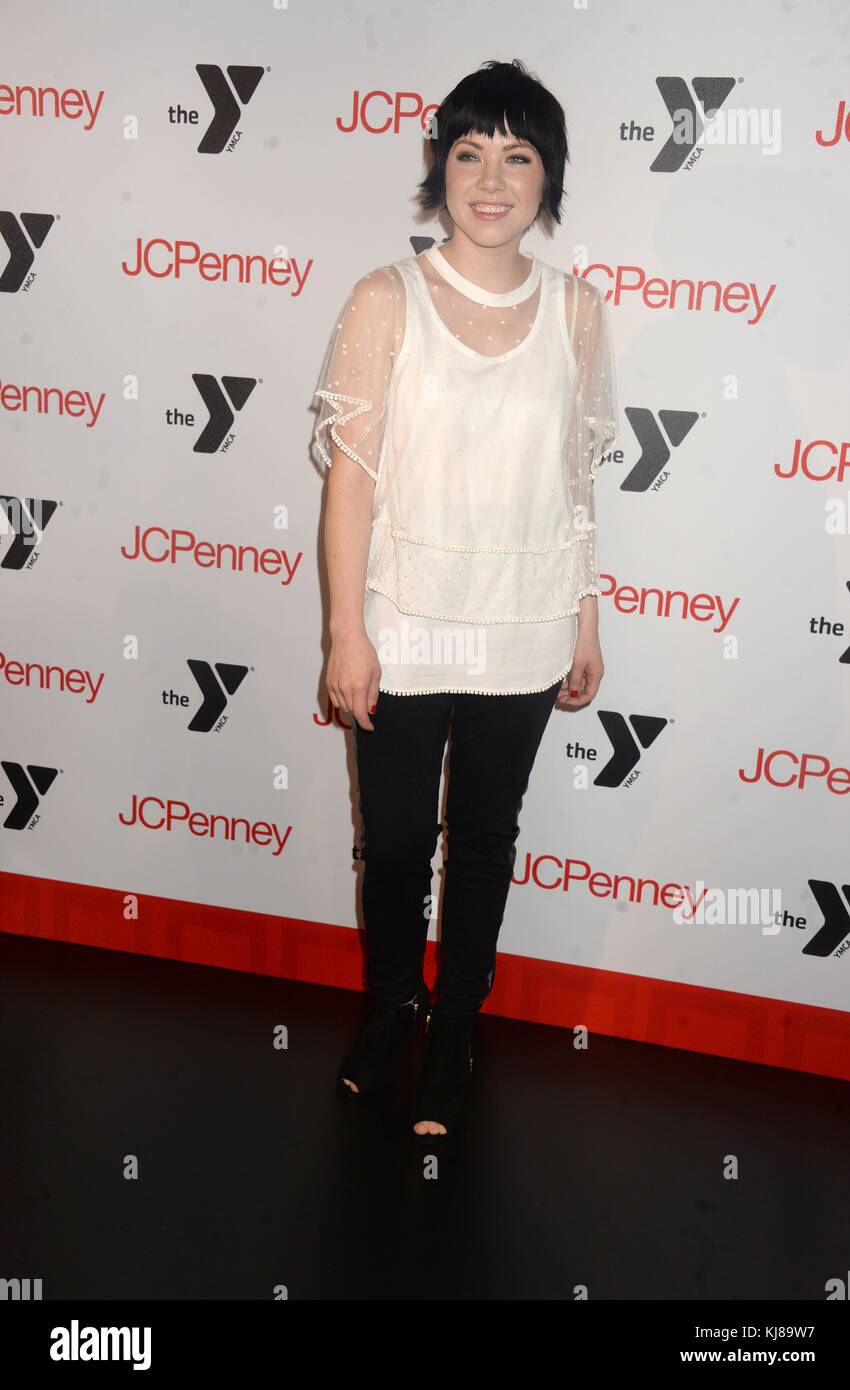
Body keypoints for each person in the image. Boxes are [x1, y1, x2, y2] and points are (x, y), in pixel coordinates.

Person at [311, 57, 618, 1145]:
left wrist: (583, 617)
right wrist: (346, 633)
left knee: (484, 841)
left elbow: (573, 484)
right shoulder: (383, 298)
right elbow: (351, 481)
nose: (491, 179)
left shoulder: (577, 310)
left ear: (548, 179)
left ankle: (455, 1026)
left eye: (518, 156)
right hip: (405, 620)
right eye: (470, 152)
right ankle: (393, 1005)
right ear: (439, 167)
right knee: (395, 845)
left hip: (526, 621)